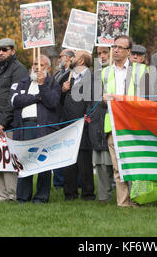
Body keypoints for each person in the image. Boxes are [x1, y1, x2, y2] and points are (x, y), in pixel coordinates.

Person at [102, 35, 148, 207]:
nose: (116, 50)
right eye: (114, 46)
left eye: (120, 47)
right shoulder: (105, 72)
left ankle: (136, 200)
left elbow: (146, 98)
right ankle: (123, 203)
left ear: (129, 51)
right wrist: (103, 99)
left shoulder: (141, 70)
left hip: (134, 124)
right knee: (117, 167)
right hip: (113, 124)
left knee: (135, 163)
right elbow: (99, 101)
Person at [0, 38, 28, 201]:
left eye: (4, 49)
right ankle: (2, 195)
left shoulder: (19, 69)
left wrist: (4, 122)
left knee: (8, 161)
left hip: (8, 125)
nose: (0, 52)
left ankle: (13, 194)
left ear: (13, 51)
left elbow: (13, 98)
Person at [11, 55, 61, 204]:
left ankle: (41, 197)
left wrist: (42, 86)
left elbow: (52, 102)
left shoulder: (52, 83)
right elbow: (16, 101)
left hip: (43, 129)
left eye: (41, 64)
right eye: (34, 64)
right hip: (24, 127)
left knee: (42, 163)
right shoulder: (23, 82)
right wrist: (36, 97)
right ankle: (23, 197)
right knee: (24, 161)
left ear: (48, 68)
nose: (37, 67)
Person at [61, 50, 95, 201]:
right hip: (67, 125)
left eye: (74, 56)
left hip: (83, 125)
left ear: (81, 61)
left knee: (84, 160)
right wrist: (62, 91)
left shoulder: (93, 79)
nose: (70, 58)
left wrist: (87, 116)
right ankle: (70, 193)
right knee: (68, 161)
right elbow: (58, 101)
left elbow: (93, 100)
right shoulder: (67, 78)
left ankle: (88, 193)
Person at [91, 46, 114, 202]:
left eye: (105, 52)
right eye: (99, 53)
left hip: (113, 121)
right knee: (100, 161)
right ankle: (104, 196)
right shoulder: (95, 74)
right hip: (97, 122)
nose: (102, 56)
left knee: (114, 162)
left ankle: (125, 194)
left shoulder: (119, 73)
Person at [52, 48, 75, 190]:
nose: (59, 59)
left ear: (67, 58)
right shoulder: (58, 74)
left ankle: (66, 181)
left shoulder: (73, 74)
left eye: (60, 56)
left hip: (66, 116)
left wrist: (64, 90)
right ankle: (58, 181)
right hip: (56, 116)